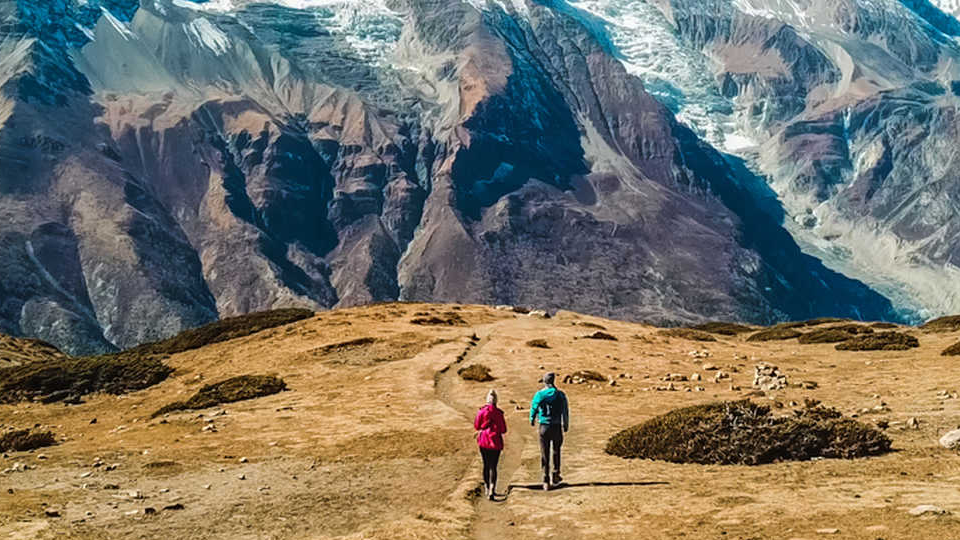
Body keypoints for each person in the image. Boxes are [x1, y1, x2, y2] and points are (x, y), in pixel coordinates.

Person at [529, 372, 569, 491]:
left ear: (544, 381)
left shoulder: (540, 395)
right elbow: (565, 411)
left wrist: (532, 419)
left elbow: (534, 407)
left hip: (544, 426)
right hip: (556, 426)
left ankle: (545, 480)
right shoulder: (561, 395)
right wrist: (565, 424)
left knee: (544, 453)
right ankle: (556, 474)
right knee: (556, 451)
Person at [474, 389, 507, 501]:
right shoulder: (499, 413)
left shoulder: (481, 412)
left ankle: (487, 487)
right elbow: (503, 429)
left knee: (486, 465)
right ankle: (492, 487)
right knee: (494, 466)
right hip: (495, 441)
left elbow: (477, 426)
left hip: (483, 440)